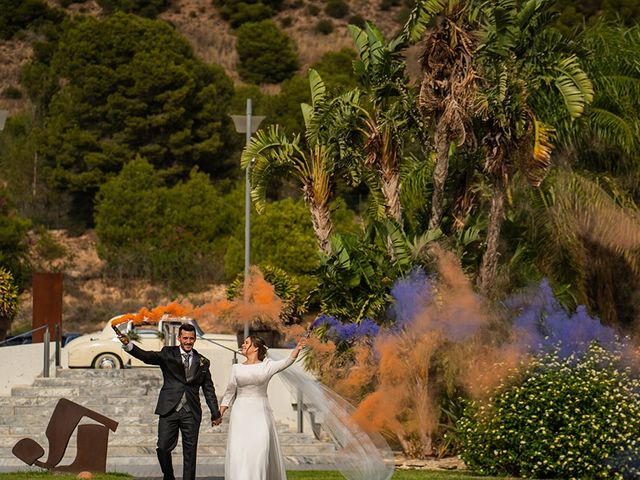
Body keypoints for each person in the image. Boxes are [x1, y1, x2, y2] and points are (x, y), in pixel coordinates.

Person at [115, 323, 222, 480]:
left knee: (190, 452)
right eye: (185, 338)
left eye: (191, 338)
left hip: (191, 412)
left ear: (195, 339)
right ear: (179, 338)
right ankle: (168, 475)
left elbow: (209, 389)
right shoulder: (168, 353)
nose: (188, 341)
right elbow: (147, 356)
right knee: (163, 447)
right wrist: (128, 344)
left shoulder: (203, 362)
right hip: (168, 409)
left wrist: (215, 413)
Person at [219, 334, 306, 480]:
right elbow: (229, 392)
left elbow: (287, 361)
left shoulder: (268, 365)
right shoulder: (236, 368)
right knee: (239, 450)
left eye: (246, 343)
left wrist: (297, 348)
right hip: (240, 413)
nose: (243, 345)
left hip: (260, 413)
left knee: (261, 449)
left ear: (255, 348)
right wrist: (220, 412)